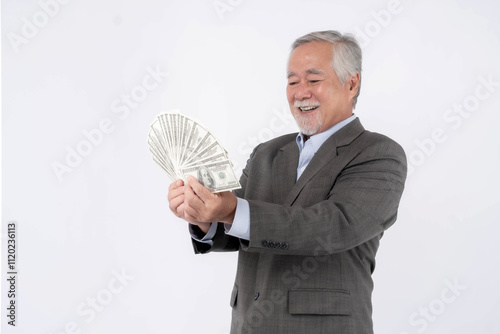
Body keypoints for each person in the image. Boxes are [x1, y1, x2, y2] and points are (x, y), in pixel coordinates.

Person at [168, 30, 407, 334]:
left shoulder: (378, 153)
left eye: (313, 80)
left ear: (352, 83)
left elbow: (332, 228)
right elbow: (240, 230)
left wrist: (228, 210)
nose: (300, 92)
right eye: (292, 81)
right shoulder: (266, 153)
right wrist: (204, 216)